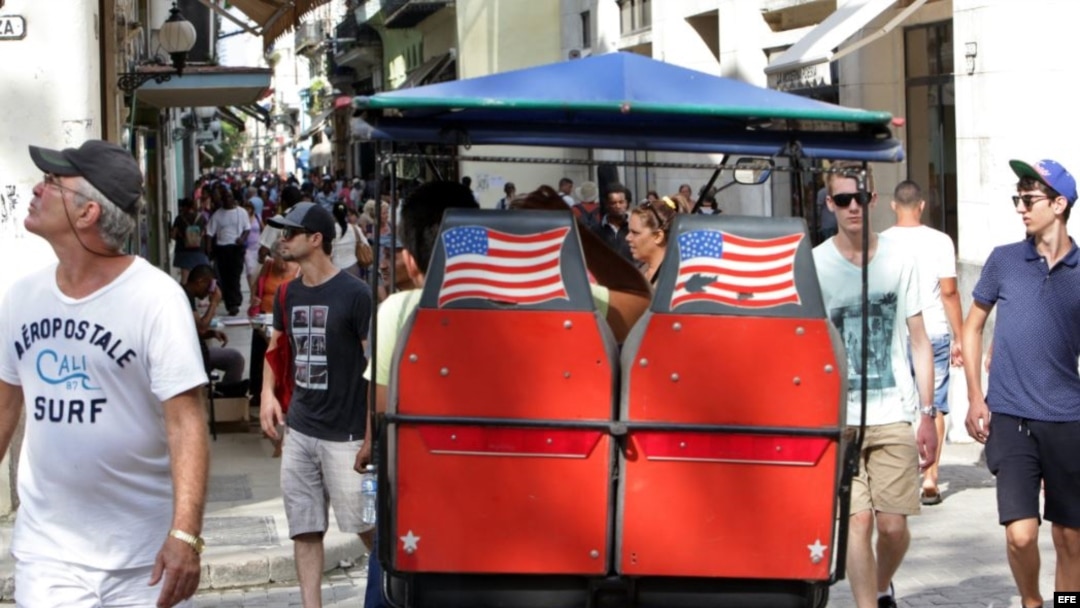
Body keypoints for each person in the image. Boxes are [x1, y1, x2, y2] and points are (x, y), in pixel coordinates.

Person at [355, 181, 650, 608]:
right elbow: (641, 301)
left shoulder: (399, 314)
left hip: (434, 522)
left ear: (410, 261)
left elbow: (383, 422)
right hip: (548, 511)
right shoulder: (564, 305)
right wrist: (574, 229)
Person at [0, 140, 208, 607]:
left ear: (88, 212)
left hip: (142, 561)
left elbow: (186, 422)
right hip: (47, 557)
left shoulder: (155, 299)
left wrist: (186, 534)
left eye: (52, 182)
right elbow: (3, 410)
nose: (37, 188)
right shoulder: (20, 298)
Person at [812, 162, 938, 608]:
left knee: (893, 528)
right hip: (838, 418)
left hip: (893, 414)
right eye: (842, 199)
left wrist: (927, 414)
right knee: (858, 523)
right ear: (830, 204)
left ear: (874, 201)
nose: (852, 207)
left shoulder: (901, 260)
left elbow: (920, 341)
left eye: (860, 198)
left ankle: (882, 586)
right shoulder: (815, 264)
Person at [962, 158, 1080, 608]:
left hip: (1069, 418)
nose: (1021, 208)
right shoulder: (1004, 260)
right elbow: (972, 327)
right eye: (1019, 198)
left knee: (1070, 537)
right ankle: (1032, 602)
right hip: (1010, 414)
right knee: (1021, 535)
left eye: (1029, 199)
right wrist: (975, 394)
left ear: (1059, 203)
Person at [259, 202, 374, 608]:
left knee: (367, 526)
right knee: (304, 529)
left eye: (289, 232)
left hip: (346, 436)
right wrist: (267, 395)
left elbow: (375, 370)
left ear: (315, 239)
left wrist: (370, 436)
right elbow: (277, 345)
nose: (281, 239)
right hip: (301, 430)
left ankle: (392, 594)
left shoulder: (356, 294)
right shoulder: (287, 293)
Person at [882, 180, 964, 506]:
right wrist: (960, 335)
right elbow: (949, 292)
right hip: (934, 330)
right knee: (934, 405)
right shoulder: (940, 241)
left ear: (892, 206)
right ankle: (931, 477)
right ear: (922, 206)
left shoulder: (881, 242)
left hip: (894, 333)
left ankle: (903, 475)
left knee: (901, 404)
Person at [183, 264, 246, 386]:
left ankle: (225, 393)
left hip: (193, 349)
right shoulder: (185, 296)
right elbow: (201, 328)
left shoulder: (186, 294)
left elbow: (193, 329)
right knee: (235, 359)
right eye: (209, 286)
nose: (210, 291)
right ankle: (227, 395)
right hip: (190, 354)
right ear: (200, 282)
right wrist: (214, 303)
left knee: (235, 358)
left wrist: (211, 333)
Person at [207, 189, 249, 316]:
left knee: (234, 276)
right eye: (224, 197)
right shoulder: (217, 215)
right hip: (222, 248)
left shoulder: (241, 212)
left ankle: (235, 303)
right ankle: (230, 304)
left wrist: (242, 239)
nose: (227, 200)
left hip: (236, 248)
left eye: (229, 197)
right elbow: (209, 233)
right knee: (224, 277)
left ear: (233, 198)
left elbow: (247, 228)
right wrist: (209, 249)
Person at [627, 195, 677, 285]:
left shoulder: (674, 280)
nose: (627, 237)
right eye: (629, 231)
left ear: (658, 236)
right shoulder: (639, 272)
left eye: (635, 233)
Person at [591, 184, 633, 262]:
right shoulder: (596, 231)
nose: (618, 206)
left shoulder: (635, 228)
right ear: (607, 204)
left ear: (627, 203)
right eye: (613, 203)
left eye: (621, 202)